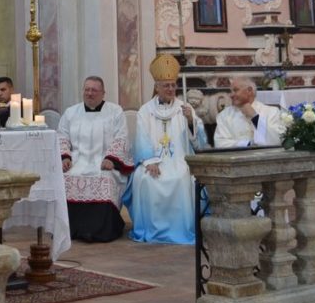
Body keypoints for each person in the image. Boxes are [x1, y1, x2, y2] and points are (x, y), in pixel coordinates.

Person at [123, 53, 207, 244]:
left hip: (179, 159)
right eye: (166, 85)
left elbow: (198, 142)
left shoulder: (184, 109)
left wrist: (191, 121)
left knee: (182, 177)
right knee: (143, 179)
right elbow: (142, 138)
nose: (171, 88)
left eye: (173, 84)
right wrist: (150, 161)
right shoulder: (145, 110)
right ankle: (151, 230)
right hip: (153, 160)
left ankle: (181, 230)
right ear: (157, 87)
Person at [59, 76, 133, 242]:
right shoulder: (71, 112)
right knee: (66, 179)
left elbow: (121, 138)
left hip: (103, 163)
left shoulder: (115, 111)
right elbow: (61, 137)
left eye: (94, 90)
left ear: (103, 93)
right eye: (87, 89)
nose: (90, 93)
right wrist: (65, 157)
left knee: (105, 180)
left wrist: (111, 159)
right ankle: (72, 230)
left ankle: (99, 231)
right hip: (77, 162)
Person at [214, 77, 285, 148]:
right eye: (231, 91)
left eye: (235, 90)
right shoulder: (224, 115)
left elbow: (277, 139)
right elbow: (220, 142)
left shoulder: (271, 112)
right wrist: (247, 144)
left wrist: (255, 117)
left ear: (249, 90)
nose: (231, 95)